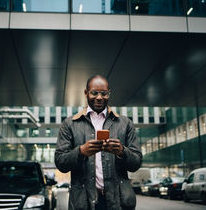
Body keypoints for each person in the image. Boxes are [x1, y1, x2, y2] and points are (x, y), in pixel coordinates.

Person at [55, 75, 142, 210]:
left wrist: (121, 151)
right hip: (84, 202)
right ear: (86, 93)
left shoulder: (125, 124)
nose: (99, 97)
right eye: (94, 93)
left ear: (109, 94)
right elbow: (60, 162)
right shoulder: (69, 124)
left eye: (104, 93)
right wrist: (81, 152)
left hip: (118, 201)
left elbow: (136, 163)